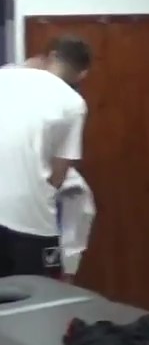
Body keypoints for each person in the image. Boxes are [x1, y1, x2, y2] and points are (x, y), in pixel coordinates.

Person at [0, 36, 91, 279]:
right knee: (43, 293)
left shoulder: (4, 76)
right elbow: (58, 175)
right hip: (32, 219)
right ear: (81, 74)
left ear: (49, 56)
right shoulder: (73, 102)